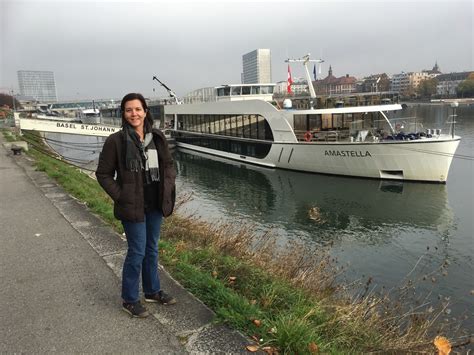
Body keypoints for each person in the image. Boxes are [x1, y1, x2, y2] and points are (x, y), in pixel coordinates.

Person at [96, 93, 176, 318]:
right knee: (137, 252)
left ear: (145, 111)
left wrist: (168, 186)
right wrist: (121, 196)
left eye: (138, 109)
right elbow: (103, 174)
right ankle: (130, 299)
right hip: (132, 206)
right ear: (124, 113)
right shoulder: (116, 141)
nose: (134, 114)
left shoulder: (157, 138)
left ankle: (152, 291)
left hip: (155, 203)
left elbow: (169, 165)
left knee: (152, 249)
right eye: (129, 110)